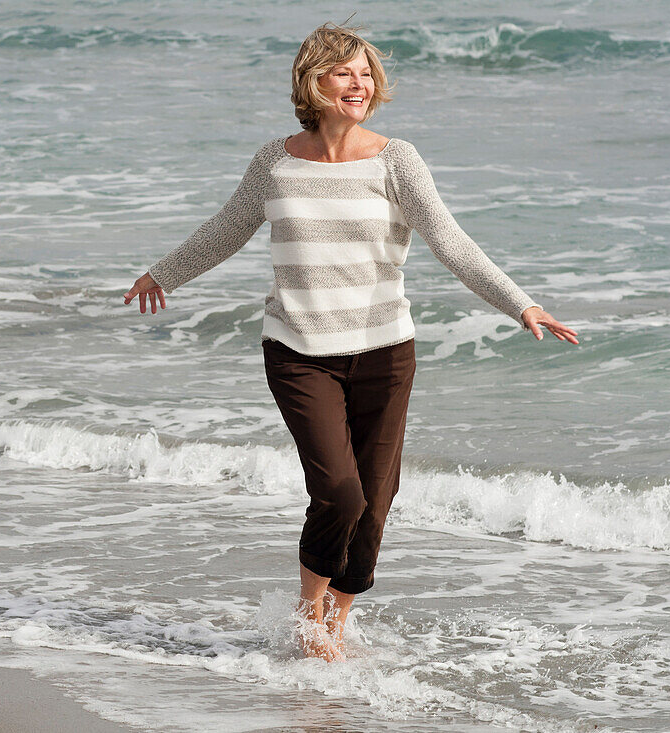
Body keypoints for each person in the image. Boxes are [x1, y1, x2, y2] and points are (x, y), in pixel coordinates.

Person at [121, 22, 578, 662]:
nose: (359, 85)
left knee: (377, 500)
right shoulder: (274, 162)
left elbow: (452, 244)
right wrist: (162, 272)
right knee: (340, 490)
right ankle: (310, 621)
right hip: (298, 349)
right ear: (314, 81)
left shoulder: (397, 160)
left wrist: (520, 303)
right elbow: (226, 229)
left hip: (385, 351)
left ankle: (336, 624)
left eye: (366, 74)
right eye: (344, 73)